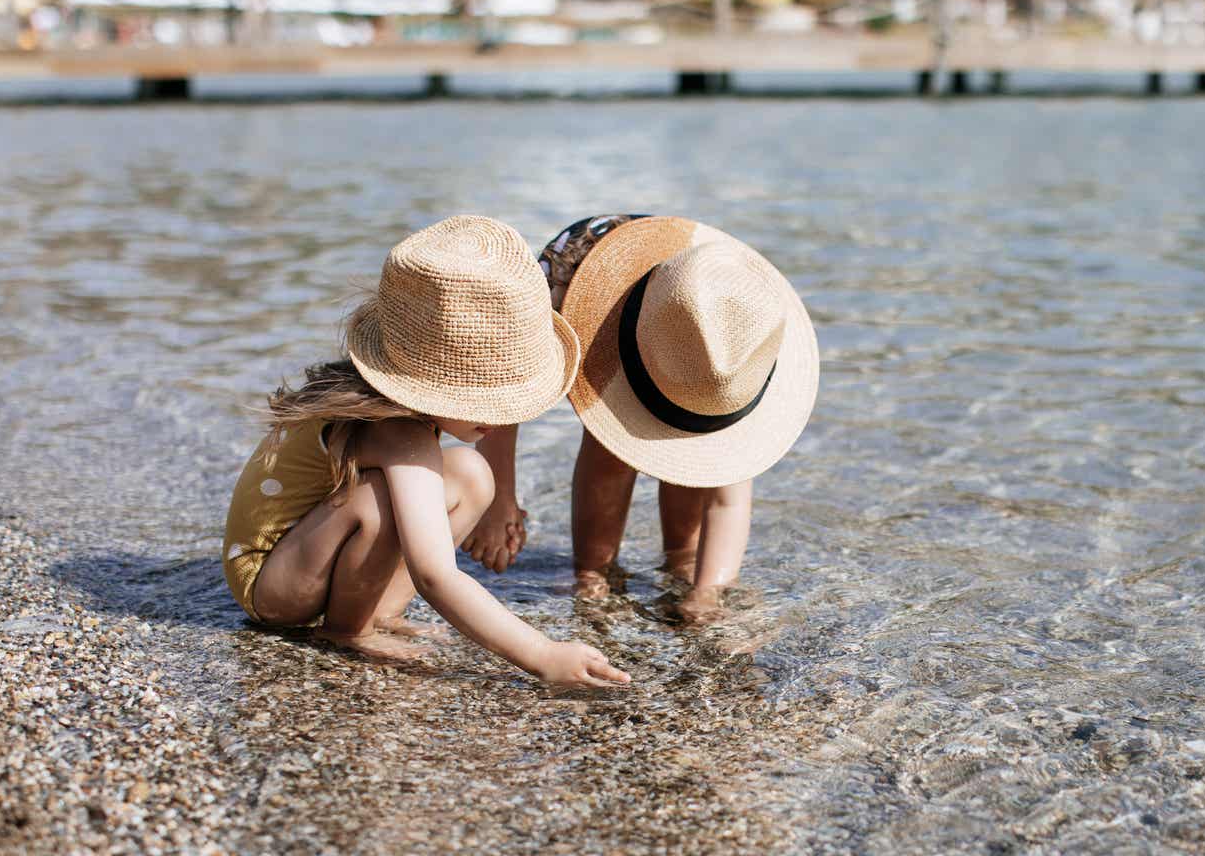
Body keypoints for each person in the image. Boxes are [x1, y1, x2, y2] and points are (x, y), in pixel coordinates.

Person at [221, 215, 630, 689]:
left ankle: (378, 612)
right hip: (273, 585)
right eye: (488, 398)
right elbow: (436, 574)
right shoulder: (396, 431)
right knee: (380, 504)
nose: (500, 421)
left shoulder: (402, 417)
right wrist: (542, 654)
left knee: (470, 473)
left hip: (304, 553)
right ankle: (346, 632)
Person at [464, 215, 819, 621]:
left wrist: (709, 591)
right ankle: (592, 568)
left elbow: (728, 502)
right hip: (608, 298)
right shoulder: (557, 293)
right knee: (610, 454)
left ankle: (681, 558)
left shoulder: (740, 345)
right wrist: (499, 499)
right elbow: (507, 394)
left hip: (695, 324)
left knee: (696, 455)